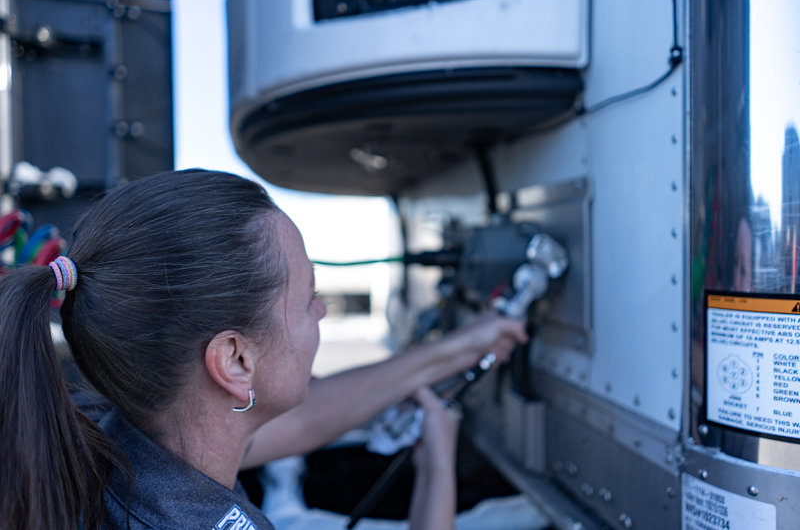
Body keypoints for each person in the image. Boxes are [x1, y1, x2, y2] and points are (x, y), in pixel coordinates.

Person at [0, 169, 527, 530]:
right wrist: (438, 466)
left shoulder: (118, 440)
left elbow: (299, 423)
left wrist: (462, 347)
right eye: (307, 300)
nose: (320, 312)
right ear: (234, 360)